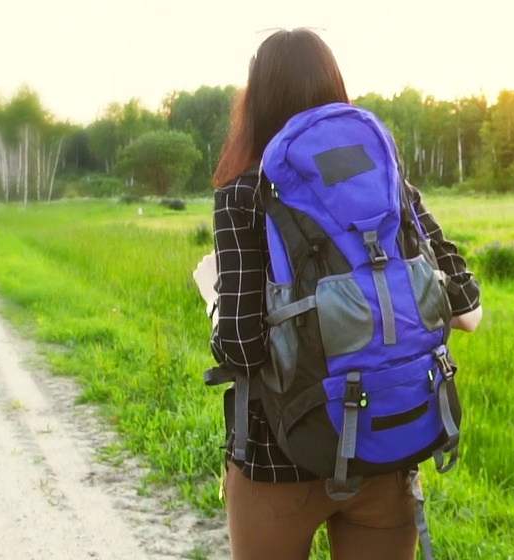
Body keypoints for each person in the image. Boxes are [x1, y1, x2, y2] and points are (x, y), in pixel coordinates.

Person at [195, 28, 482, 560]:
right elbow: (468, 313)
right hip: (386, 447)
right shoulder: (388, 182)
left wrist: (212, 292)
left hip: (278, 460)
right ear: (335, 89)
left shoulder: (241, 194)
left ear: (255, 102)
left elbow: (241, 347)